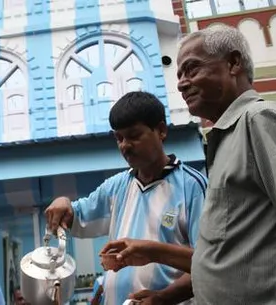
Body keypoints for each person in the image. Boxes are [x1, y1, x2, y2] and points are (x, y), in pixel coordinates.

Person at [101, 24, 276, 305]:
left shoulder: (262, 120)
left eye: (192, 69)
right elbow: (226, 259)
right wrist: (155, 262)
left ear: (233, 63)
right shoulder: (226, 139)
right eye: (179, 75)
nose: (182, 83)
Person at [45, 91, 207, 304]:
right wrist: (63, 202)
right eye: (119, 138)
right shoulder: (116, 186)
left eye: (134, 135)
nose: (124, 145)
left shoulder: (192, 187)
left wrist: (162, 298)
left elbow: (209, 263)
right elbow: (75, 216)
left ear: (161, 131)